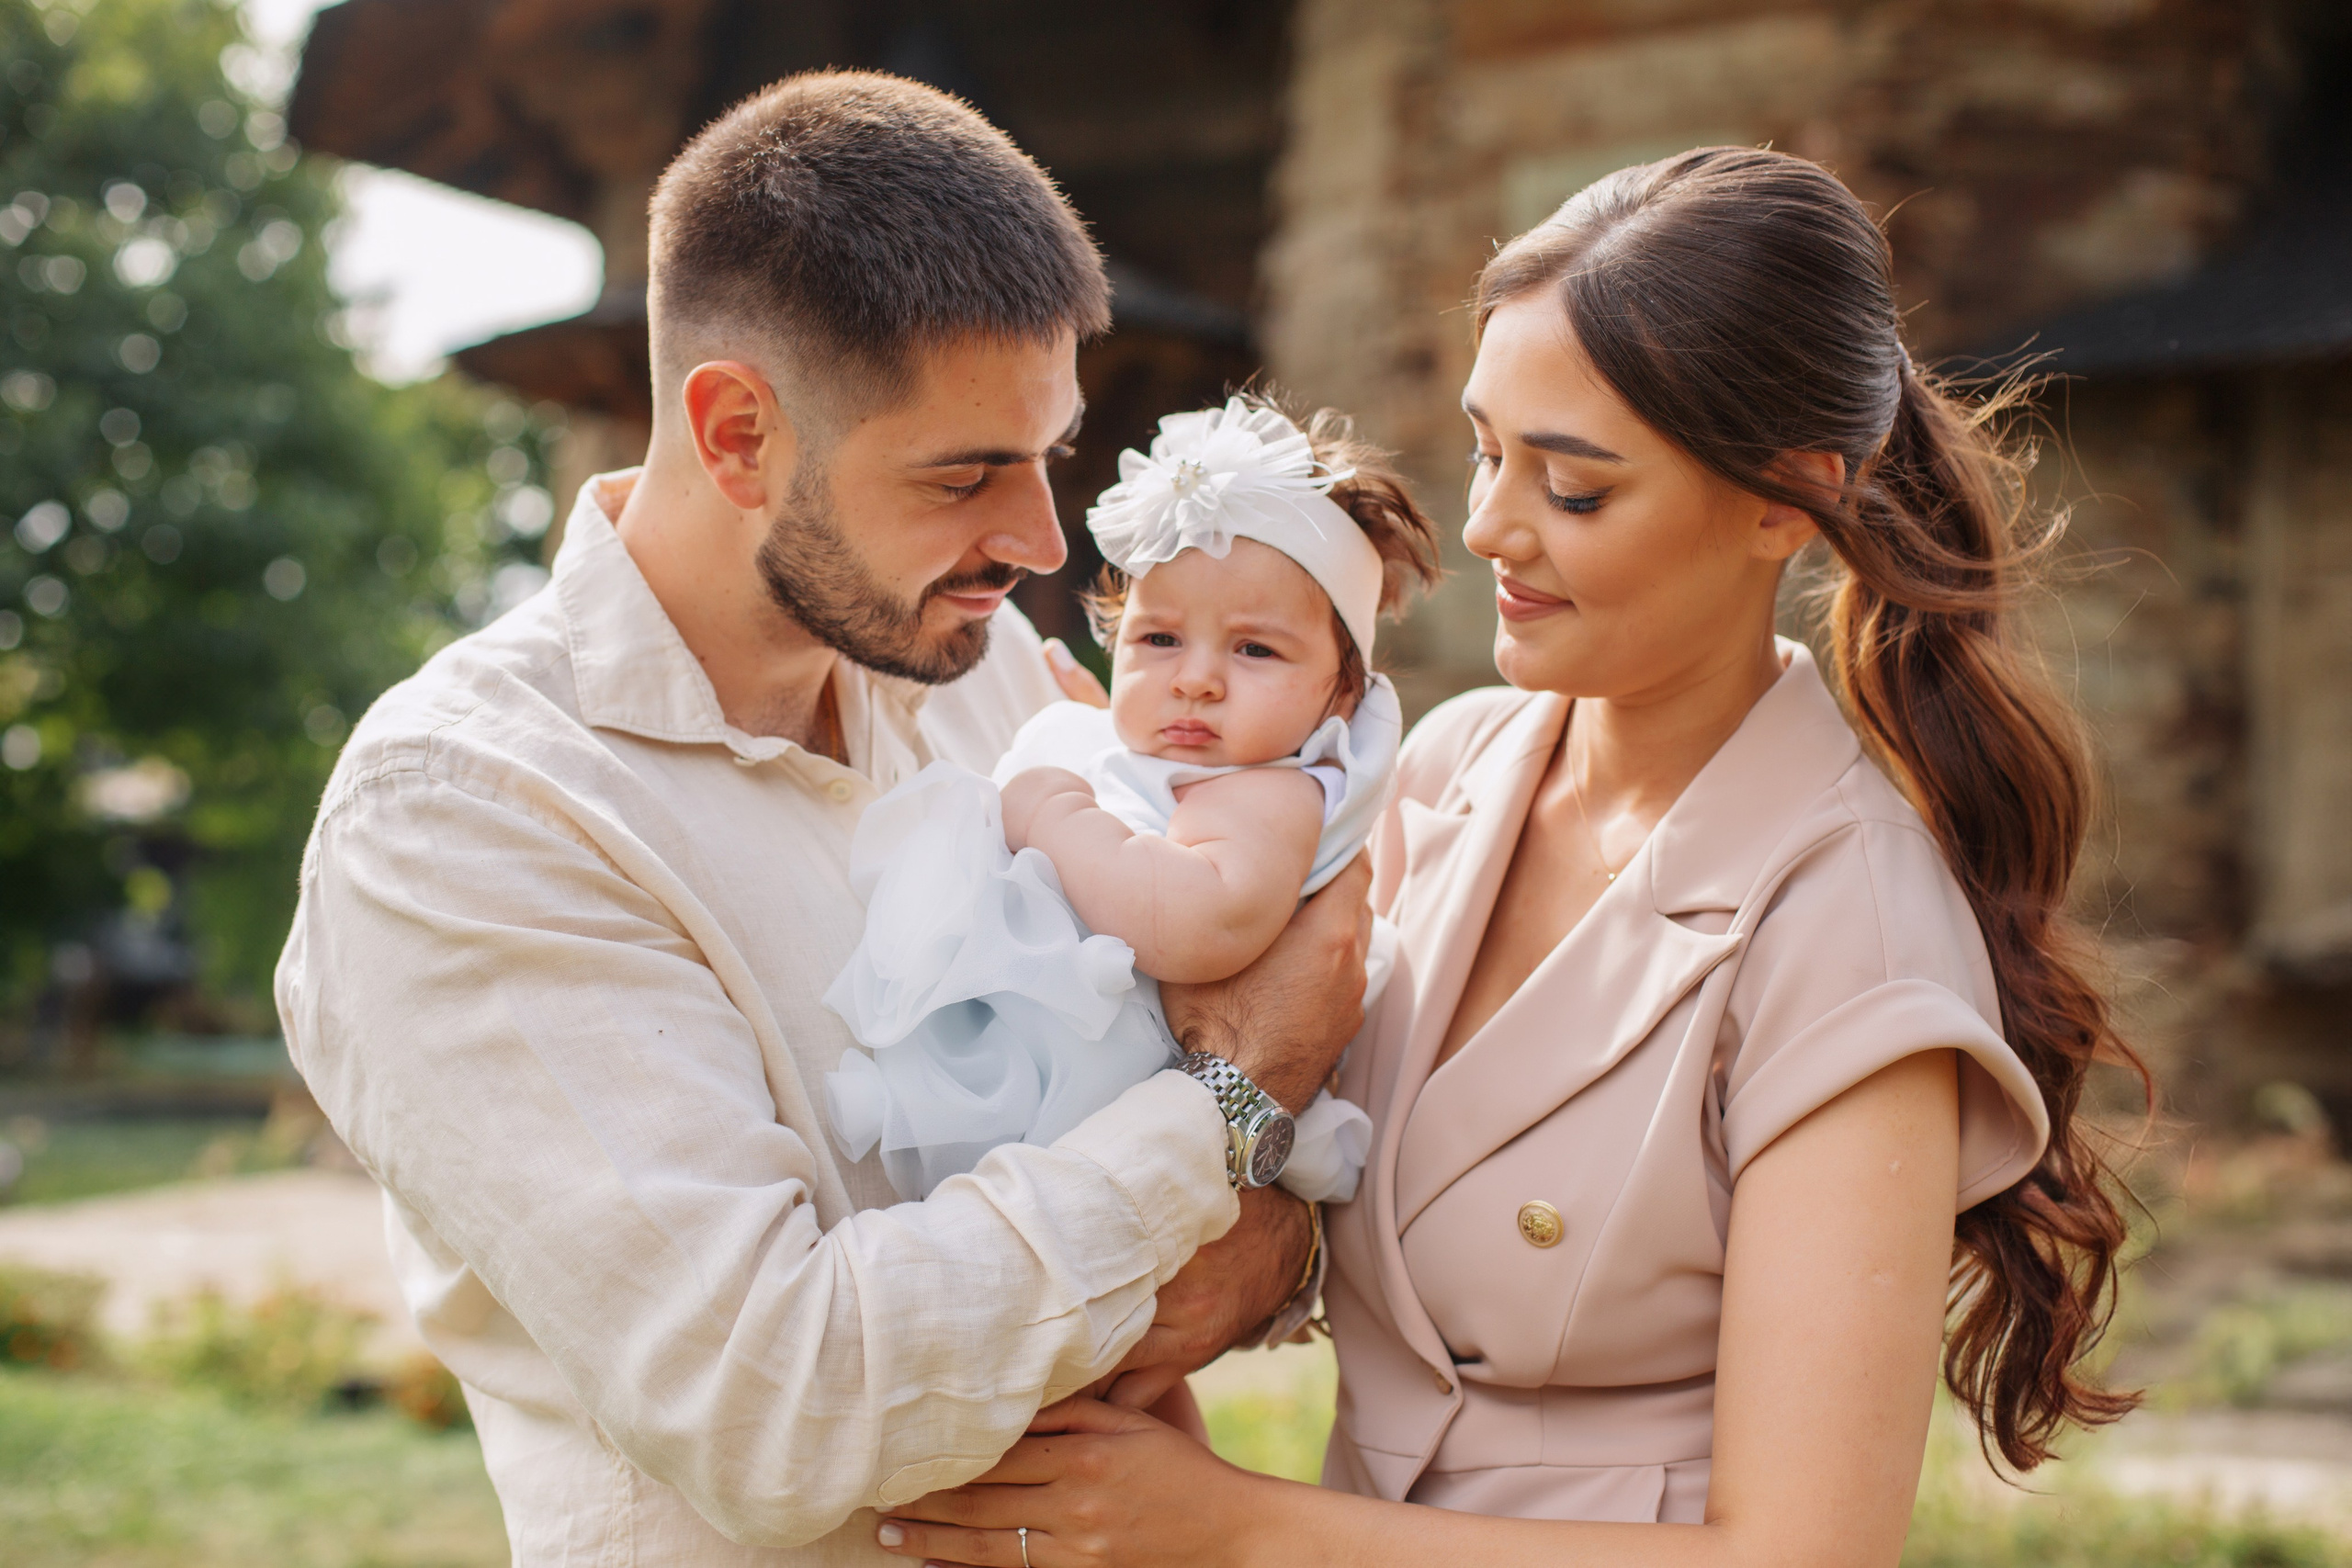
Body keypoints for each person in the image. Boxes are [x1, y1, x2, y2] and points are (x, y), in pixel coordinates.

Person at [874, 146, 2141, 1568]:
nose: (1487, 527)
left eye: (1576, 488)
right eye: (1488, 449)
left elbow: (1802, 1552)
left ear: (1786, 497)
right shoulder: (1445, 767)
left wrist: (1224, 1524)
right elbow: (1319, 1146)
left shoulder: (1849, 927)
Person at [273, 73, 1367, 1564]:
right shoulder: (465, 816)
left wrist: (1261, 1231)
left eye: (1045, 454)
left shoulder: (985, 681)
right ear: (735, 433)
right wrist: (1234, 1106)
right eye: (964, 473)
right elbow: (780, 1412)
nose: (1039, 542)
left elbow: (1252, 1209)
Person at [825, 395, 1441, 1212]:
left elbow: (1195, 920)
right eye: (1159, 640)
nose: (1196, 677)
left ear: (1340, 695)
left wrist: (1057, 818)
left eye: (1255, 648)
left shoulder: (1271, 791)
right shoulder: (1151, 758)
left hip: (1123, 1074)